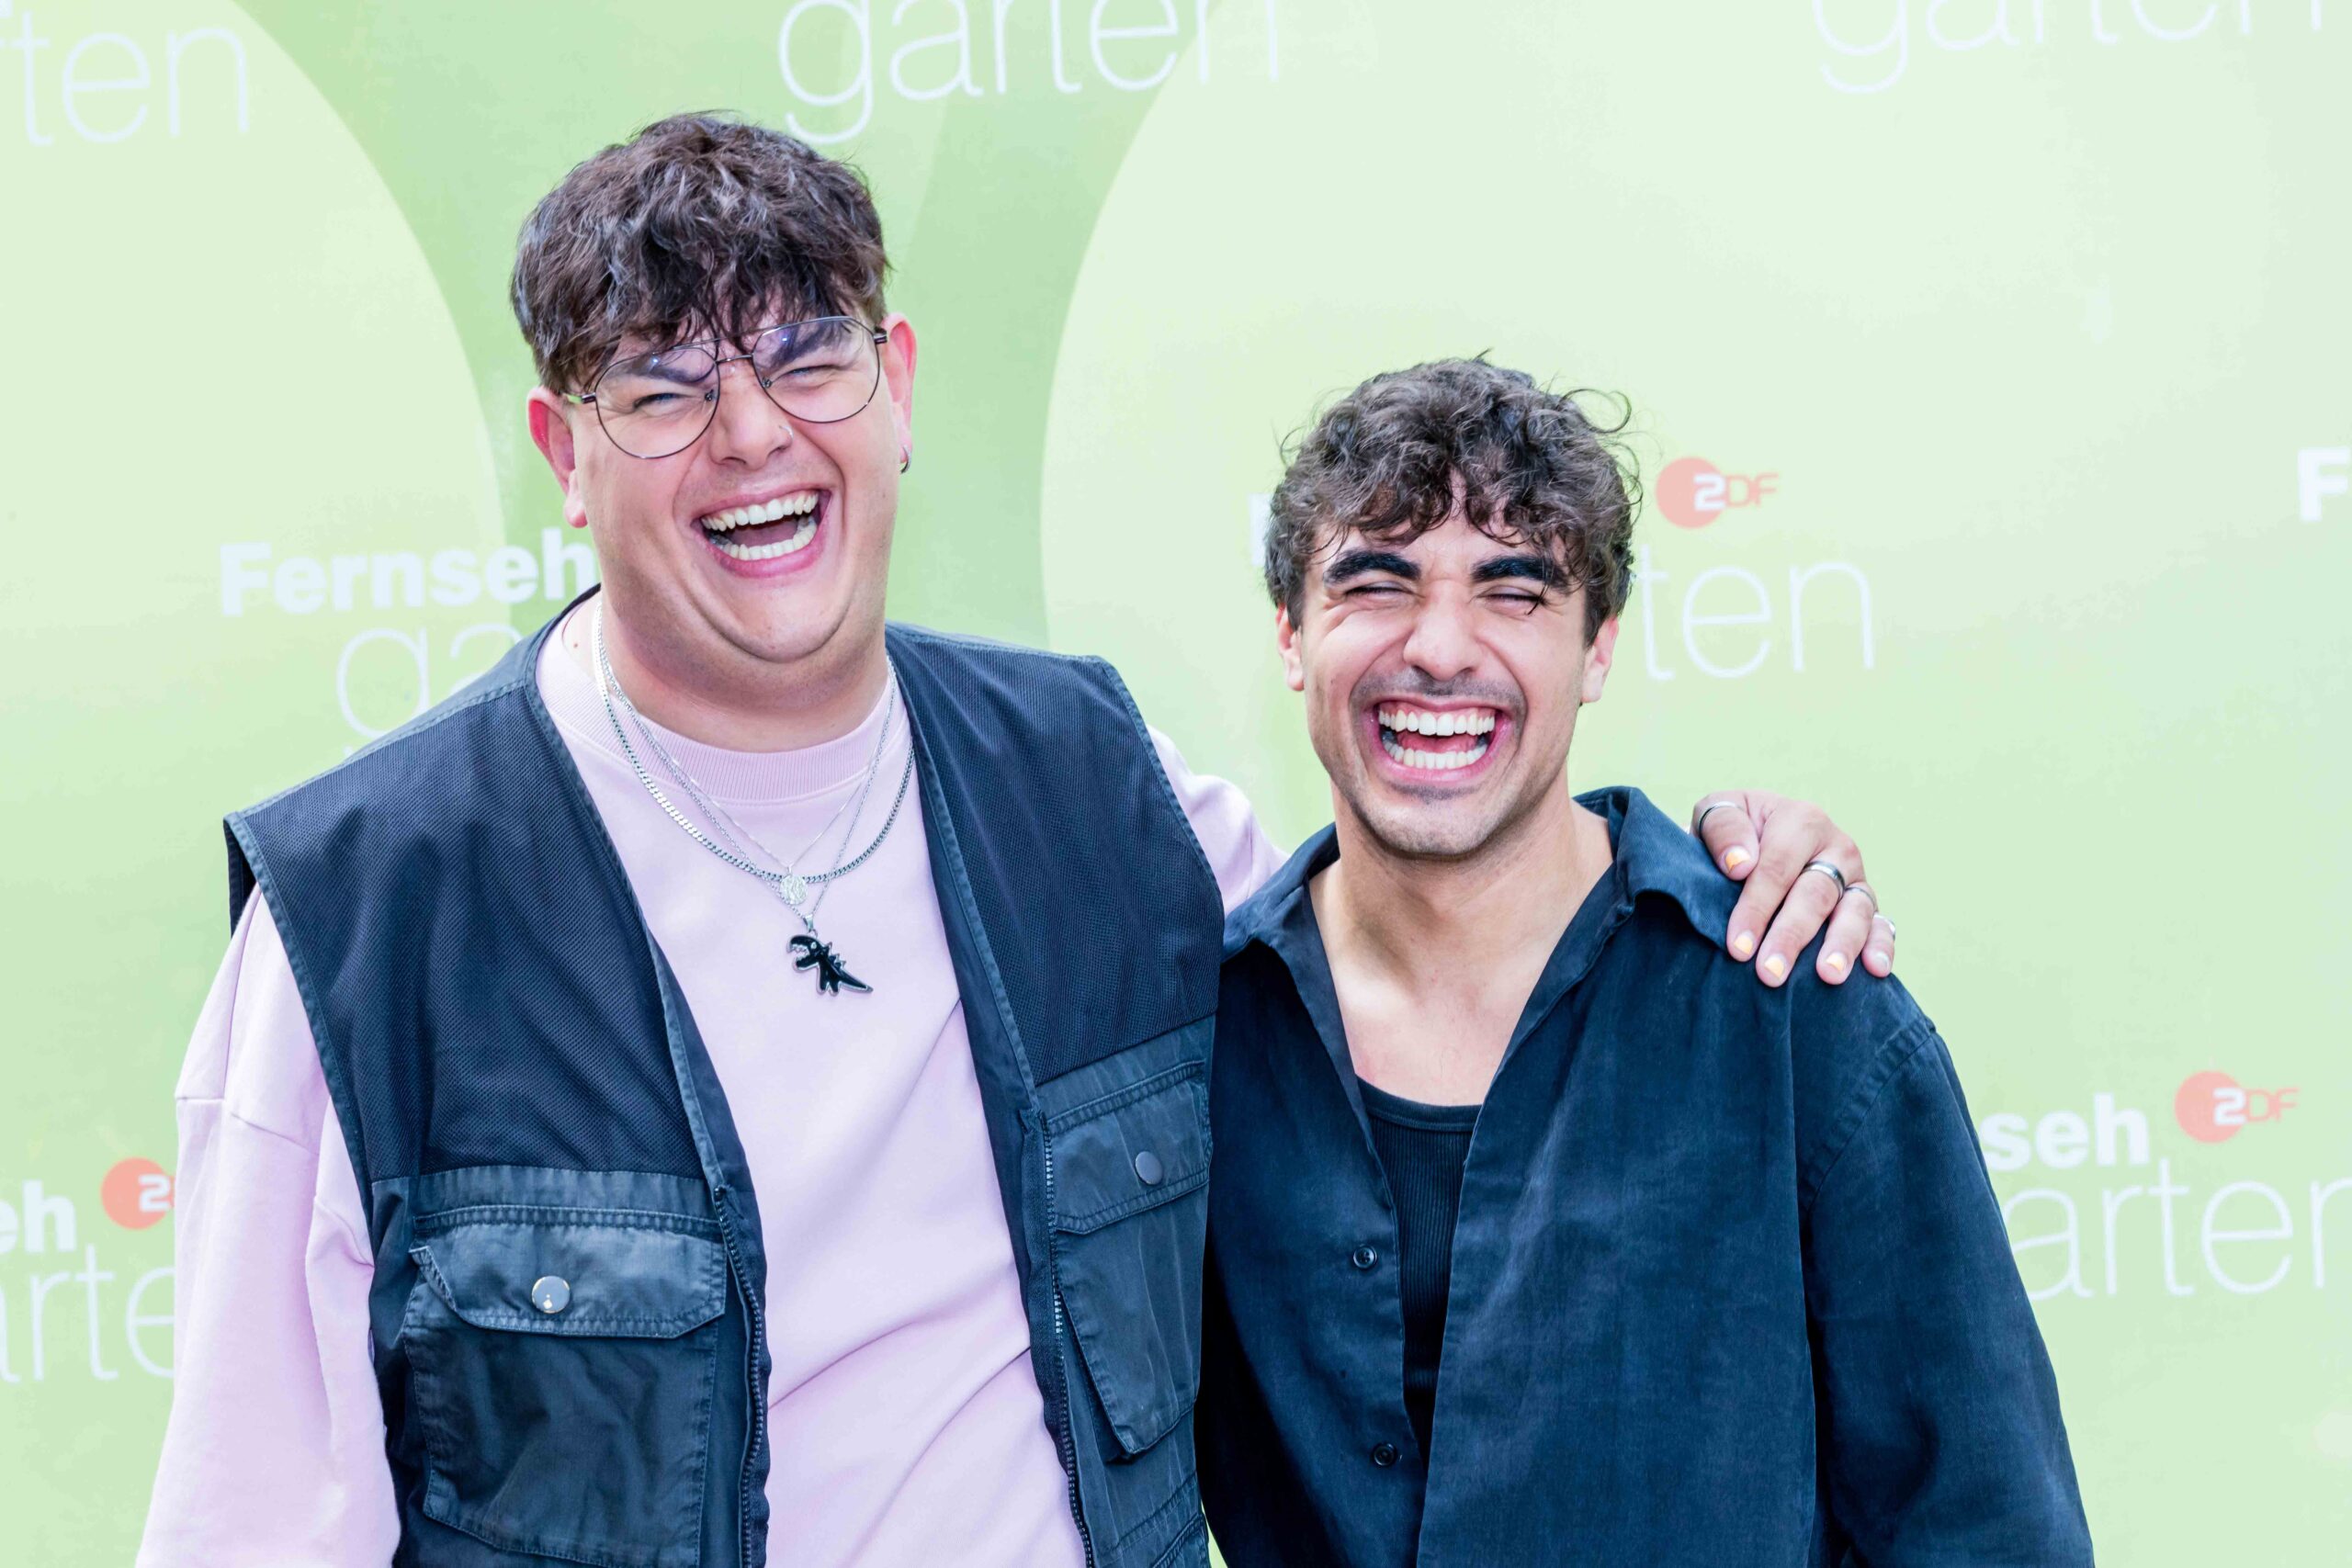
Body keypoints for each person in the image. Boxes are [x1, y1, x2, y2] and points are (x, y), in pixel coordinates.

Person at [139, 117, 1900, 1568]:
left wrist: (1719, 871)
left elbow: (1436, 935)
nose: (755, 435)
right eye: (663, 389)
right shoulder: (360, 921)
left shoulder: (1102, 792)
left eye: (810, 357)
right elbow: (248, 1525)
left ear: (897, 387)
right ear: (564, 453)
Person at [1198, 358, 2092, 1567]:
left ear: (1600, 648)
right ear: (1292, 636)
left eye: (1515, 591)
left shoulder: (1794, 1003)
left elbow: (1985, 1527)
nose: (1442, 648)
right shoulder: (1192, 1046)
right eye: (1376, 583)